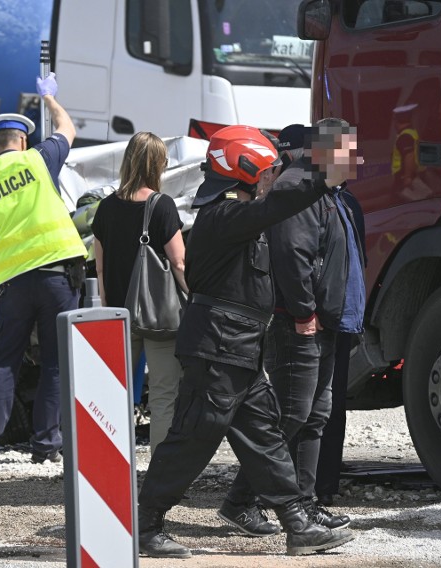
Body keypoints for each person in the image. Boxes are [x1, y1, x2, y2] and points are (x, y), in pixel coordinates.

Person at [136, 124, 355, 559]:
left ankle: (298, 525)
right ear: (245, 168)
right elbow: (275, 208)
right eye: (268, 168)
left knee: (266, 438)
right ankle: (144, 525)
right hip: (218, 348)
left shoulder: (235, 219)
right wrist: (319, 173)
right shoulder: (224, 217)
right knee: (193, 438)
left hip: (239, 350)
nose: (272, 176)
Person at [220, 119, 366, 534]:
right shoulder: (300, 187)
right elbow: (291, 255)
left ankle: (304, 503)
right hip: (299, 324)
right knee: (290, 416)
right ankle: (240, 502)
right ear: (327, 151)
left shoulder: (323, 188)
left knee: (313, 416)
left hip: (322, 322)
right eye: (350, 151)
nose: (357, 159)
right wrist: (304, 312)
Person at [0, 73, 87, 466]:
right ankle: (46, 446)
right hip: (60, 275)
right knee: (56, 364)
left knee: (1, 364)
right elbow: (68, 129)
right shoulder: (39, 159)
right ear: (22, 142)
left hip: (15, 282)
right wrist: (49, 100)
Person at [91, 132, 188, 454]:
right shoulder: (161, 206)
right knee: (163, 394)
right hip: (160, 317)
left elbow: (100, 268)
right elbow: (178, 261)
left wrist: (109, 307)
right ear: (157, 164)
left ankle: (112, 462)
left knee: (115, 392)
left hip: (120, 314)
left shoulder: (104, 208)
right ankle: (160, 470)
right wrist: (193, 297)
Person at [316, 187, 366, 506]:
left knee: (331, 406)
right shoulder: (318, 202)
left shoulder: (348, 203)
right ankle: (310, 487)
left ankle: (324, 486)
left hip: (340, 316)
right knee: (312, 406)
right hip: (320, 316)